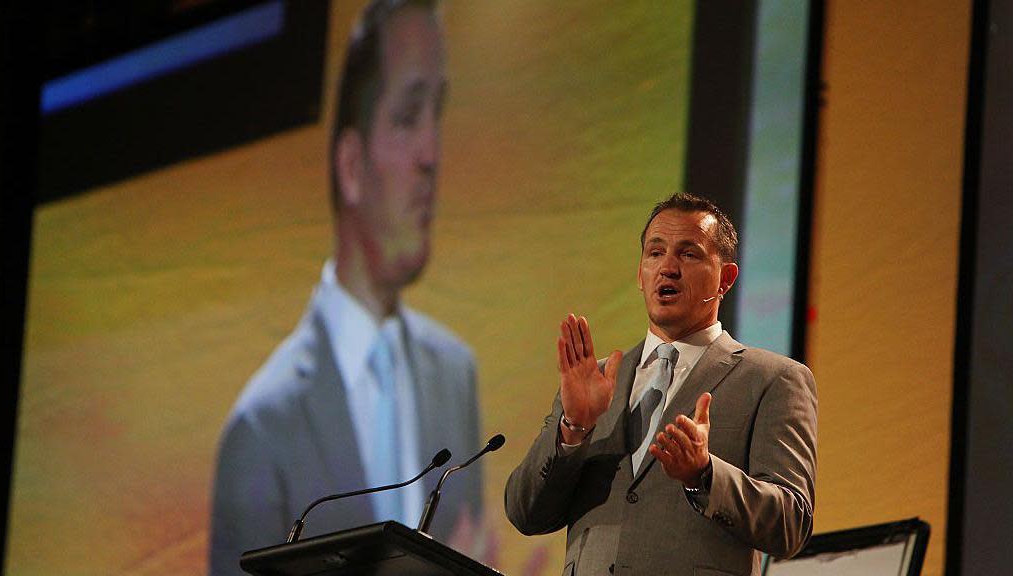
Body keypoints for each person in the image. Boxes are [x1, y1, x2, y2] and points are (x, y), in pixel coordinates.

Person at [209, 1, 483, 574]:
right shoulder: (261, 430)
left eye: (439, 113)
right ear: (353, 165)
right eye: (409, 116)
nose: (433, 153)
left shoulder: (455, 376)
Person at [505, 193, 817, 576]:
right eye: (655, 253)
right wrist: (574, 429)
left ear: (726, 278)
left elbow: (791, 523)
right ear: (640, 275)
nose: (668, 267)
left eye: (688, 254)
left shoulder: (773, 379)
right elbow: (525, 513)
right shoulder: (595, 381)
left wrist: (705, 473)